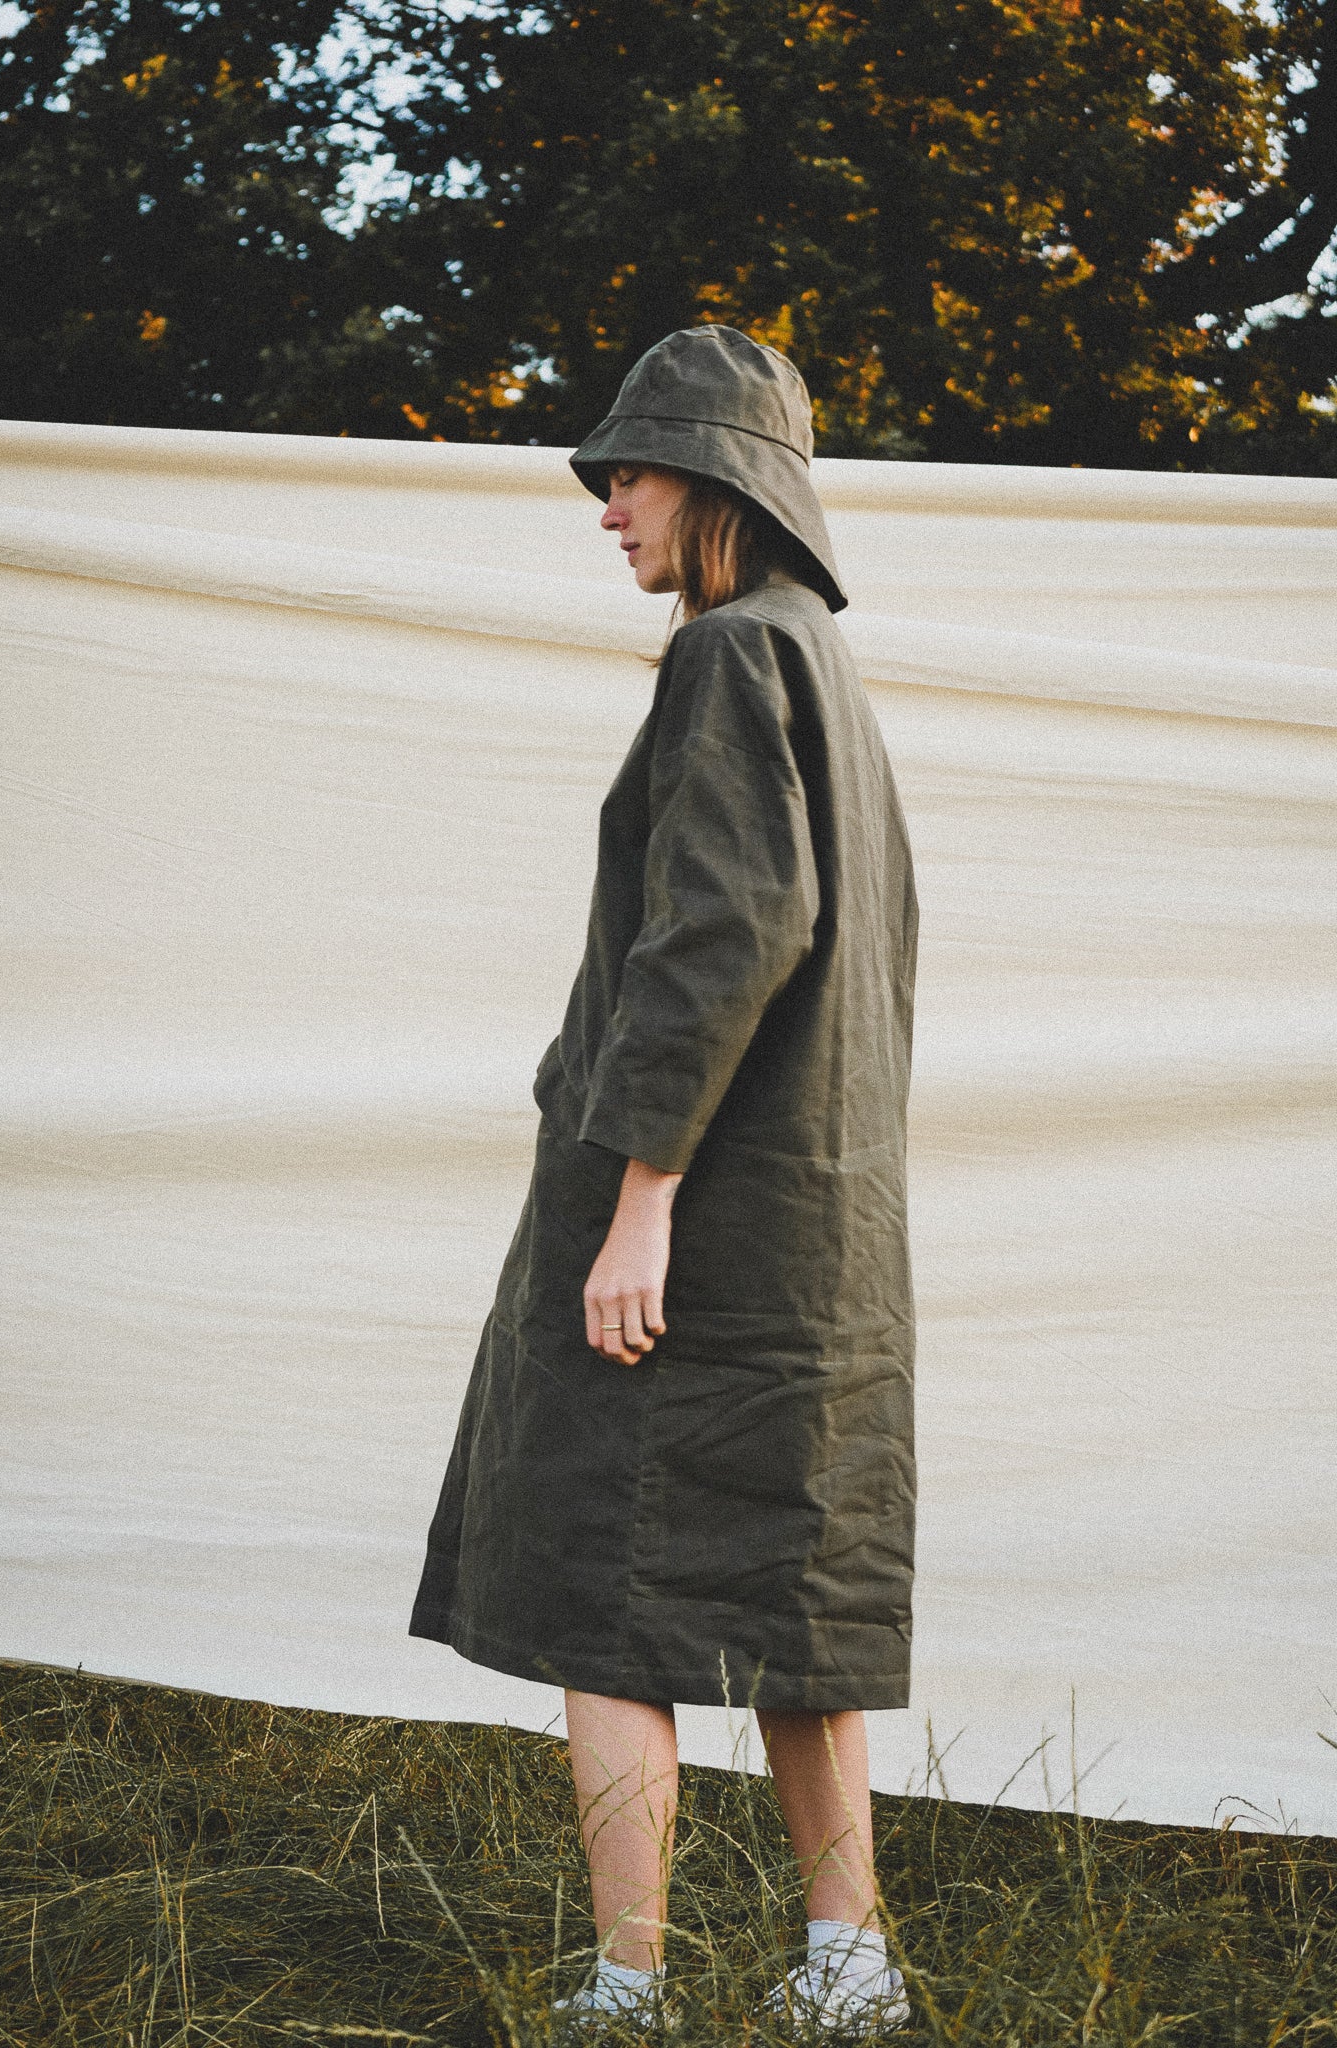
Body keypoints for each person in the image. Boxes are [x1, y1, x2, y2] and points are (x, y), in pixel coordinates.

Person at [409, 324, 919, 2032]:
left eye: (626, 474)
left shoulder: (727, 662)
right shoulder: (817, 667)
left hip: (688, 1213)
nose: (604, 506)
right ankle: (849, 1970)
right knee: (788, 1589)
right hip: (808, 1225)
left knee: (600, 1589)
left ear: (709, 483)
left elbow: (719, 944)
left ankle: (623, 1990)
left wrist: (637, 1205)